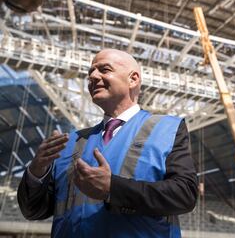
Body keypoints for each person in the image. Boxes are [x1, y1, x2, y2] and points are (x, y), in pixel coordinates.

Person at [17, 49, 198, 237]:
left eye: (104, 69)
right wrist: (36, 172)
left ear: (133, 79)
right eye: (90, 73)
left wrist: (113, 188)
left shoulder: (167, 129)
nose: (93, 76)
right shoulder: (70, 143)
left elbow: (185, 194)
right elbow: (33, 211)